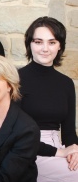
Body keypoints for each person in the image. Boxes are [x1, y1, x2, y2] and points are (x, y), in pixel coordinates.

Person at [18, 16, 78, 181]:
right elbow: (13, 132)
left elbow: (69, 133)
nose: (45, 48)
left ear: (60, 46)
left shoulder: (66, 83)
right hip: (28, 149)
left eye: (52, 42)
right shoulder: (16, 79)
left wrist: (74, 151)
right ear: (30, 44)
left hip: (58, 147)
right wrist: (60, 153)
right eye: (38, 42)